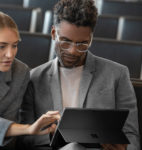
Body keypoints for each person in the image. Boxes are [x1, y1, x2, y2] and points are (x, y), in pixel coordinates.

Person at [20, 0, 140, 150]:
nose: (73, 51)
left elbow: (131, 134)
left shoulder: (117, 74)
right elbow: (26, 138)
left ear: (91, 39)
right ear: (53, 34)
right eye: (65, 42)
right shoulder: (34, 78)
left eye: (82, 44)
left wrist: (125, 148)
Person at [0, 10, 60, 150]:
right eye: (2, 46)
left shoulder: (19, 72)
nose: (10, 54)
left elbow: (7, 128)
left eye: (15, 45)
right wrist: (28, 129)